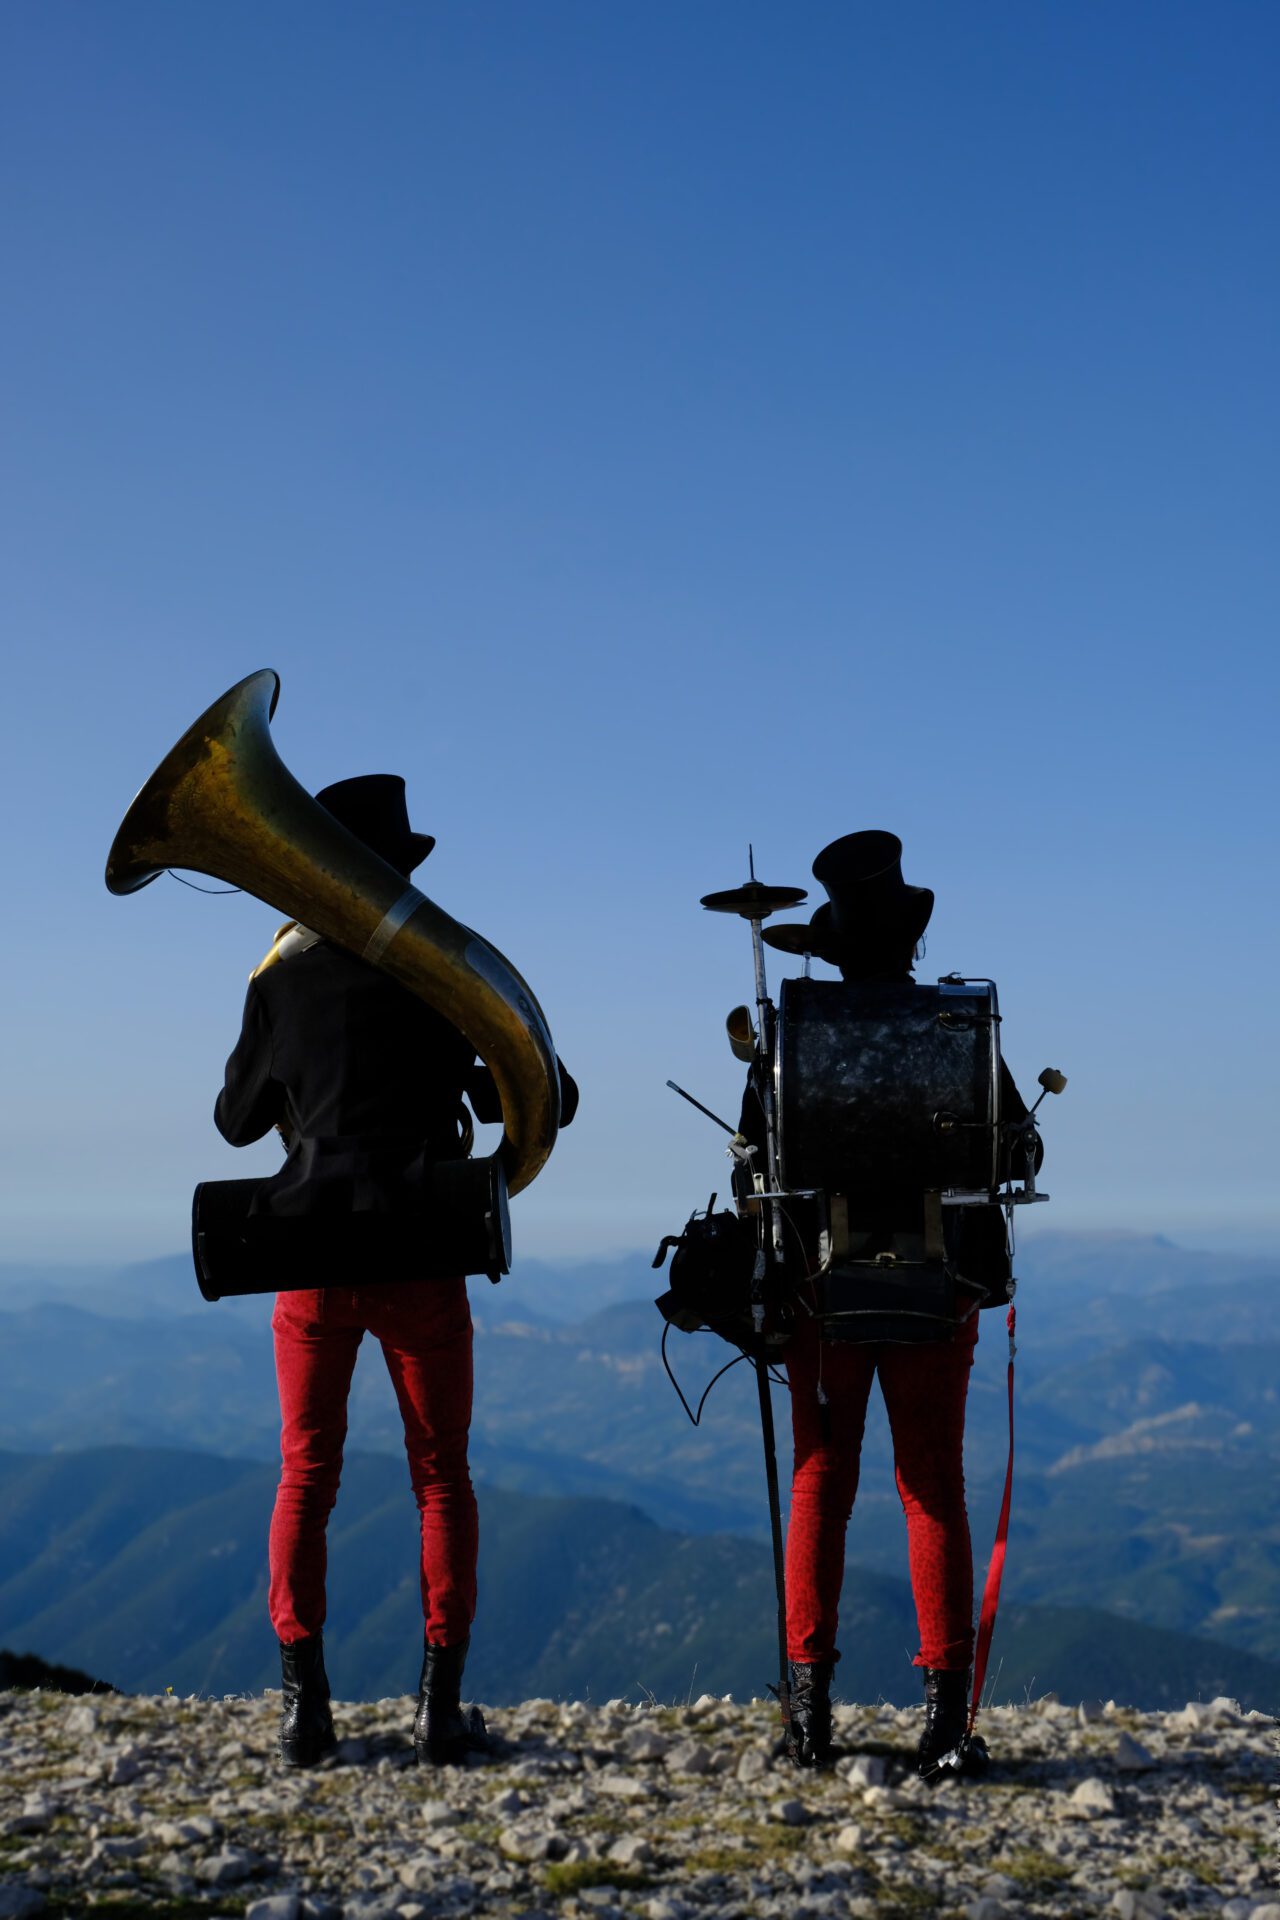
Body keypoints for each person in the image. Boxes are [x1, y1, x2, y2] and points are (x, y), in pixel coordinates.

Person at [214, 774, 578, 1769]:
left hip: (313, 1255)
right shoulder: (434, 971)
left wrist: (272, 992)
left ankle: (304, 1712)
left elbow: (235, 1120)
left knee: (304, 1478)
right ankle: (439, 1711)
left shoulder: (277, 982)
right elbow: (550, 1097)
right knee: (440, 1480)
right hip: (421, 1247)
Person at [738, 831, 1039, 1777]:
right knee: (931, 1487)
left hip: (823, 1291)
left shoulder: (791, 1033)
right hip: (934, 1286)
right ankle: (948, 1724)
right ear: (907, 941)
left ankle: (810, 1719)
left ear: (832, 950)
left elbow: (756, 1170)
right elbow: (1015, 1152)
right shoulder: (957, 1026)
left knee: (821, 1481)